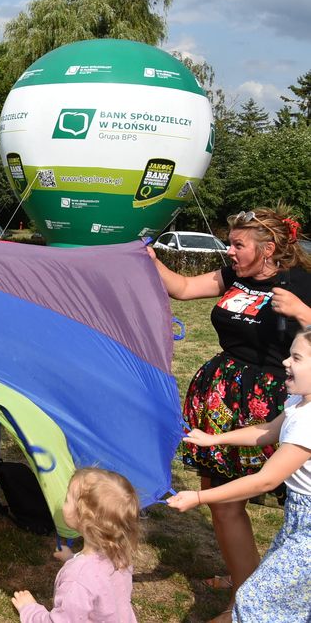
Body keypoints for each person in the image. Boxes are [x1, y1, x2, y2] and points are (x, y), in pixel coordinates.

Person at [148, 207, 311, 602]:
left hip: (275, 405)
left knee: (294, 503)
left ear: (268, 248)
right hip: (223, 400)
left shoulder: (302, 283)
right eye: (230, 243)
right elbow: (184, 288)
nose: (230, 251)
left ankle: (275, 594)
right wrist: (149, 259)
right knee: (223, 502)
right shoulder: (234, 275)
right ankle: (245, 586)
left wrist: (303, 313)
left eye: (238, 244)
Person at [167, 326, 311, 621]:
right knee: (287, 600)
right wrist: (214, 439)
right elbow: (269, 431)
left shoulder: (309, 424)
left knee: (254, 599)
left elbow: (265, 480)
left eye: (296, 357)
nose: (285, 362)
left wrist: (198, 496)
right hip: (299, 517)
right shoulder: (299, 402)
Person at [12, 468, 140, 622]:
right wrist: (71, 557)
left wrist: (30, 609)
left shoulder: (77, 579)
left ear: (84, 518)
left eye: (67, 499)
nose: (63, 503)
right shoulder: (119, 554)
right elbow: (96, 575)